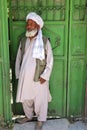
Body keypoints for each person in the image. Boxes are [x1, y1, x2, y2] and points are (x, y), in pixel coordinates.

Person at [15, 12, 53, 130]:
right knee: (26, 99)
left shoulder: (44, 41)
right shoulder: (23, 41)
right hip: (25, 77)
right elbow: (18, 59)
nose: (29, 26)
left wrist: (45, 76)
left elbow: (50, 60)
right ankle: (28, 116)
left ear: (37, 26)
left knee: (40, 99)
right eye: (28, 24)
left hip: (39, 77)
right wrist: (18, 74)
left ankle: (40, 121)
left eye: (31, 24)